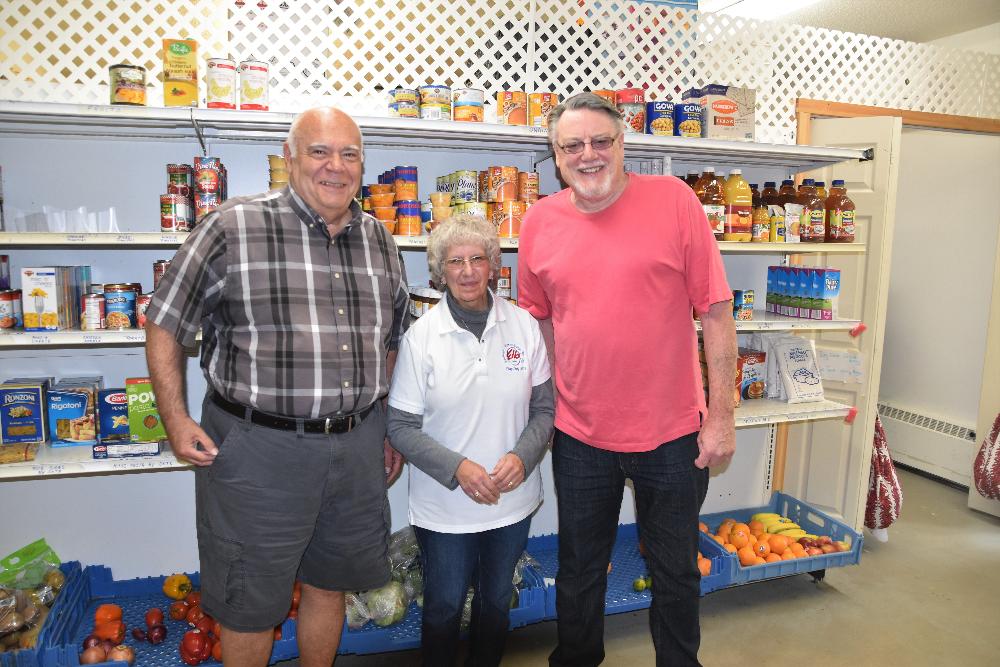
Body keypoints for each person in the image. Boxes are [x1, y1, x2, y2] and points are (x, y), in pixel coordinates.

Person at [144, 106, 409, 667]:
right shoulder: (231, 227)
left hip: (356, 445)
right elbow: (165, 319)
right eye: (319, 151)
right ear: (288, 158)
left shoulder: (380, 240)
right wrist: (175, 417)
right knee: (249, 604)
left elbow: (393, 338)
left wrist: (385, 424)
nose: (335, 167)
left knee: (329, 583)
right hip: (257, 451)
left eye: (349, 154)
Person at [517, 92, 738, 667]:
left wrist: (721, 416)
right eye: (573, 145)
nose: (589, 155)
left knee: (674, 570)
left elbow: (715, 311)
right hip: (580, 432)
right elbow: (538, 323)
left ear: (623, 145)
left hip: (671, 434)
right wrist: (545, 411)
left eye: (601, 142)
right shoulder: (539, 221)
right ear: (556, 155)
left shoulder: (675, 202)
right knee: (580, 569)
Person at [387, 214, 554, 667]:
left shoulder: (522, 326)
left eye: (477, 258)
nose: (466, 271)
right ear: (439, 272)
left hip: (511, 500)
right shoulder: (422, 338)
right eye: (454, 261)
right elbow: (399, 426)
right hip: (445, 509)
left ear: (494, 265)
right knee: (442, 607)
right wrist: (458, 467)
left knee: (497, 601)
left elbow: (544, 409)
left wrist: (524, 456)